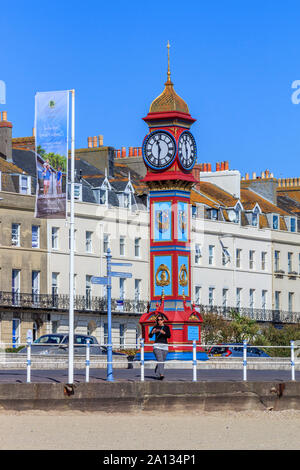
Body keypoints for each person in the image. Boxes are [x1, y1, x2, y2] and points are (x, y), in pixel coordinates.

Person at [149, 315, 171, 380]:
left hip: (165, 346)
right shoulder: (155, 327)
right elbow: (150, 336)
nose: (159, 321)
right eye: (158, 320)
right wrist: (152, 332)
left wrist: (163, 332)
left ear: (163, 320)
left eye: (160, 319)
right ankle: (161, 375)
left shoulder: (166, 327)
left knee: (162, 361)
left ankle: (157, 368)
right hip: (157, 345)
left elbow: (169, 336)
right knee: (160, 360)